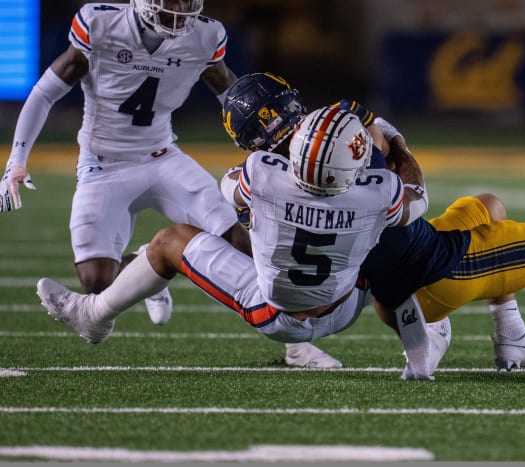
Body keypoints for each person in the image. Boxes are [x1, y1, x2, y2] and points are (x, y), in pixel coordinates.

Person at [219, 74, 525, 383]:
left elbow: (251, 221)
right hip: (435, 274)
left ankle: (513, 339)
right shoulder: (360, 175)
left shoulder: (266, 180)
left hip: (384, 285)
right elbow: (411, 185)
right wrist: (388, 135)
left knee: (485, 204)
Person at [0, 1, 345, 369]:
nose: (181, 9)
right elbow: (44, 92)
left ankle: (296, 345)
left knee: (244, 242)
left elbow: (235, 101)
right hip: (103, 164)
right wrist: (17, 161)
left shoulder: (204, 35)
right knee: (98, 283)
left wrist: (279, 139)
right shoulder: (101, 24)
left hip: (164, 157)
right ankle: (155, 263)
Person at [38, 106, 431, 361]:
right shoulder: (378, 192)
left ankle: (95, 314)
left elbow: (231, 186)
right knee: (398, 237)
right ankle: (426, 331)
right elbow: (417, 195)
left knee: (169, 242)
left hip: (277, 313)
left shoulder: (262, 173)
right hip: (347, 306)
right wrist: (392, 141)